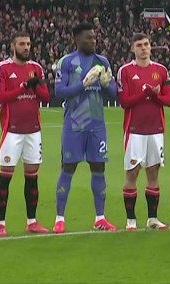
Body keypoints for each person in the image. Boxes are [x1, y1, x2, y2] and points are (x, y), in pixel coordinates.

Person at [52, 22, 118, 233]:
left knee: (98, 168)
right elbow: (59, 92)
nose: (93, 41)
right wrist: (84, 83)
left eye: (94, 38)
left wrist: (108, 84)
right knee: (68, 167)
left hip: (97, 125)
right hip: (74, 124)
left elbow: (114, 95)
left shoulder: (102, 61)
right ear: (77, 40)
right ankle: (59, 219)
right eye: (88, 38)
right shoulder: (67, 62)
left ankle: (100, 218)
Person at [0, 32, 51, 236]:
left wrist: (36, 86)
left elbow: (46, 97)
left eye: (28, 44)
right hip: (12, 131)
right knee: (5, 176)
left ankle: (32, 221)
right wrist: (24, 86)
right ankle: (0, 223)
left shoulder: (36, 68)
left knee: (32, 177)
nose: (26, 47)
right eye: (22, 44)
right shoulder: (3, 68)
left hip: (33, 131)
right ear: (13, 46)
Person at [116, 33, 170, 231]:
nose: (143, 48)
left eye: (146, 44)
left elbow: (169, 100)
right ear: (133, 48)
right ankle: (131, 220)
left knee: (153, 172)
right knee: (132, 172)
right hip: (134, 131)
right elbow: (124, 102)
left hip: (156, 130)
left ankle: (152, 218)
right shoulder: (125, 71)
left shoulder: (161, 70)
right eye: (139, 45)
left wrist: (156, 95)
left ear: (151, 46)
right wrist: (146, 93)